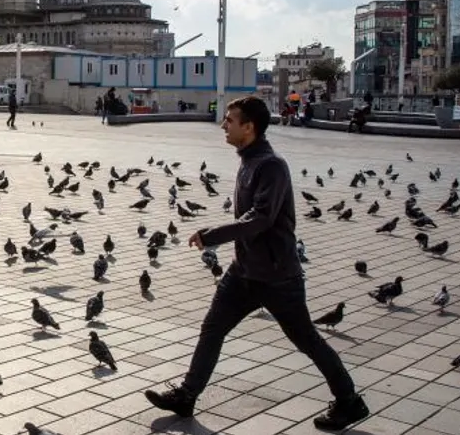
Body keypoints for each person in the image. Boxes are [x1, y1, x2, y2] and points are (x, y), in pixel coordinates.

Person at [145, 96, 368, 432]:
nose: (224, 125)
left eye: (230, 120)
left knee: (306, 339)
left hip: (277, 276)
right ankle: (187, 395)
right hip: (244, 270)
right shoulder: (249, 161)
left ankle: (349, 401)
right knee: (213, 328)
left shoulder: (270, 166)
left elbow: (261, 217)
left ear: (249, 127)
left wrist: (213, 235)